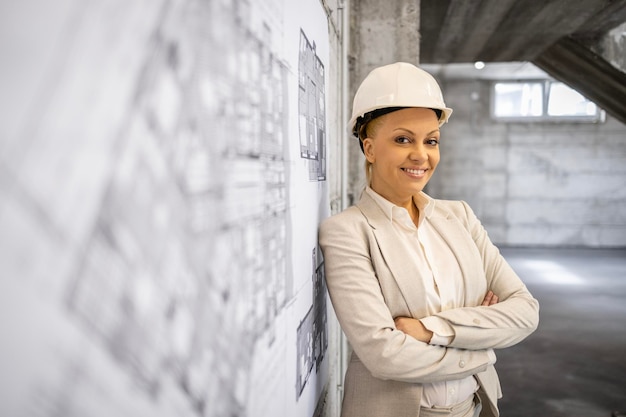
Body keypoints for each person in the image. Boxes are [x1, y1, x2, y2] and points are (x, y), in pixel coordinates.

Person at [318, 62, 540, 417]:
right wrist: (481, 343)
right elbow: (384, 355)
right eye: (403, 139)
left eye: (431, 140)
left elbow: (526, 312)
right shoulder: (347, 232)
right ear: (370, 148)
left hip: (472, 408)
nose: (421, 154)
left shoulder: (460, 217)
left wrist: (428, 330)